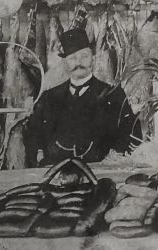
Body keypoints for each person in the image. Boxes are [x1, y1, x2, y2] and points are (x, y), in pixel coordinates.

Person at [25, 28, 141, 166]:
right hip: (55, 171)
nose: (78, 62)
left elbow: (131, 133)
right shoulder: (49, 98)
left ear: (93, 58)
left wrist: (114, 159)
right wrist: (39, 158)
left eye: (84, 56)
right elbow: (32, 134)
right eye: (72, 58)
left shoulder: (114, 95)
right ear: (65, 62)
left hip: (99, 172)